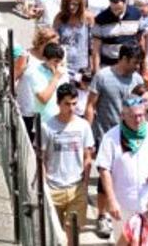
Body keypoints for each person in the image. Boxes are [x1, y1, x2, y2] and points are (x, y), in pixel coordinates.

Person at [96, 94, 148, 237]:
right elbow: (104, 170)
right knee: (124, 240)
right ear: (122, 115)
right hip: (123, 203)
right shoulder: (111, 137)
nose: (138, 120)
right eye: (133, 116)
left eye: (141, 115)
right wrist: (111, 200)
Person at [41, 83, 94, 241]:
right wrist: (44, 185)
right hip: (53, 187)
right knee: (53, 235)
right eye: (67, 104)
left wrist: (84, 184)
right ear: (58, 103)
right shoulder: (47, 127)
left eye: (74, 103)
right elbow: (41, 158)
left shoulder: (83, 126)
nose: (71, 108)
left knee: (73, 232)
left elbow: (87, 156)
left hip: (76, 188)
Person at [18, 42, 68, 136]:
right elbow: (43, 99)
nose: (58, 65)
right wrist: (56, 78)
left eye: (60, 61)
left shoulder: (62, 72)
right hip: (43, 126)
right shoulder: (34, 73)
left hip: (61, 123)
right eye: (55, 61)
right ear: (45, 59)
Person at [90, 0, 143, 70]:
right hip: (109, 67)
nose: (115, 12)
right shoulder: (100, 20)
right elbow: (96, 49)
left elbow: (141, 40)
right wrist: (96, 71)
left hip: (131, 67)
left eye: (119, 9)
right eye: (113, 9)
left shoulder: (136, 14)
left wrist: (143, 64)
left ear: (125, 3)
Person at [53, 0, 91, 77]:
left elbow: (93, 44)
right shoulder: (59, 18)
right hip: (64, 65)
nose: (71, 7)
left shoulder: (87, 17)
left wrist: (92, 66)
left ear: (81, 4)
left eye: (75, 4)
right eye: (68, 4)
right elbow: (54, 42)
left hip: (82, 66)